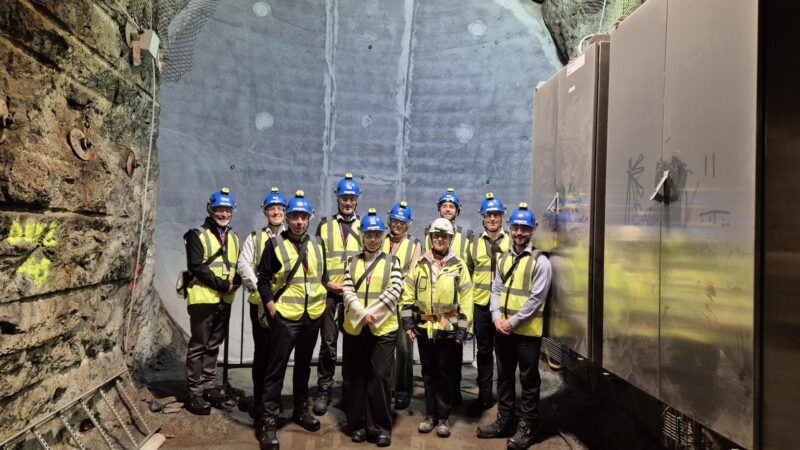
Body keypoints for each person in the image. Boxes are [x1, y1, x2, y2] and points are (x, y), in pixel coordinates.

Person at [255, 191, 328, 450]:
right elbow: (262, 280)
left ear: (309, 219)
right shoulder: (274, 244)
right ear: (287, 217)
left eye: (303, 217)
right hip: (286, 318)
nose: (299, 222)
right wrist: (272, 309)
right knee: (275, 371)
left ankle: (300, 409)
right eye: (295, 216)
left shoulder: (318, 244)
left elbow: (322, 278)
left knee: (304, 367)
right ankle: (268, 421)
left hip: (312, 318)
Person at [477, 202, 552, 450]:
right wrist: (496, 316)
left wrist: (512, 322)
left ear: (532, 230)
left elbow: (536, 299)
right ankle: (505, 421)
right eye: (516, 228)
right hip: (503, 330)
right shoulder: (505, 258)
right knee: (505, 378)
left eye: (525, 229)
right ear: (510, 228)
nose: (520, 233)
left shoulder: (541, 262)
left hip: (526, 334)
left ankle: (528, 426)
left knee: (528, 380)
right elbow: (496, 289)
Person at [401, 218, 473, 438]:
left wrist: (463, 328)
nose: (439, 239)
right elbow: (407, 295)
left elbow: (467, 298)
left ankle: (443, 418)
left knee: (445, 373)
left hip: (448, 329)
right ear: (430, 238)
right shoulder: (420, 264)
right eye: (436, 236)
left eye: (444, 236)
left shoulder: (459, 266)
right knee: (428, 373)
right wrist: (408, 322)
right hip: (425, 329)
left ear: (450, 239)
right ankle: (429, 416)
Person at [341, 209, 404, 447]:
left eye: (377, 234)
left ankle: (380, 427)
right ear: (362, 235)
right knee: (355, 377)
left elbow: (395, 290)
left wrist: (371, 314)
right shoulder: (352, 262)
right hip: (356, 327)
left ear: (383, 236)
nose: (373, 238)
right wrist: (361, 313)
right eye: (369, 234)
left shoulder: (392, 262)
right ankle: (357, 426)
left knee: (379, 377)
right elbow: (347, 290)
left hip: (382, 329)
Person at [183, 187, 241, 415]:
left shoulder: (234, 237)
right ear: (210, 209)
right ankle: (194, 393)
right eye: (219, 209)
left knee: (213, 345)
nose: (223, 214)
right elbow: (196, 266)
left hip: (224, 299)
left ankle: (208, 387)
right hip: (203, 299)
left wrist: (234, 282)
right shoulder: (196, 234)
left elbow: (237, 266)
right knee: (198, 346)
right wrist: (221, 285)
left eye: (227, 210)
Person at [236, 187, 287, 419]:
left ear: (285, 211)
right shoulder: (255, 238)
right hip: (261, 306)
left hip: (286, 306)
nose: (275, 212)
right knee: (263, 353)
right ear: (265, 211)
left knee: (280, 356)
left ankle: (273, 402)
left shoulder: (293, 237)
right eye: (271, 208)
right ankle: (260, 402)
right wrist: (263, 291)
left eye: (279, 208)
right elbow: (244, 265)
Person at [314, 173, 362, 415]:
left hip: (353, 298)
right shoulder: (325, 225)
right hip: (330, 296)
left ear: (357, 200)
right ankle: (324, 389)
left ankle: (351, 392)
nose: (347, 202)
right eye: (344, 197)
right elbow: (315, 261)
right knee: (328, 345)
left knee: (353, 346)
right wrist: (326, 284)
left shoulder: (364, 226)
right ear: (337, 198)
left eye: (351, 198)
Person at [424, 188, 473, 404]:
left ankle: (455, 392)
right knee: (437, 358)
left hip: (456, 302)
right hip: (436, 306)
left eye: (451, 206)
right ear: (438, 209)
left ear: (457, 211)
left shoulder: (466, 236)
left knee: (455, 351)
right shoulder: (430, 234)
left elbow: (468, 269)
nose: (447, 209)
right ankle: (438, 398)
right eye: (444, 206)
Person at [467, 193, 510, 414]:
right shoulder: (473, 245)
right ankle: (485, 395)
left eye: (496, 214)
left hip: (504, 307)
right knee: (483, 351)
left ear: (503, 216)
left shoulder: (512, 242)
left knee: (504, 354)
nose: (492, 218)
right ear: (482, 217)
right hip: (481, 306)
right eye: (488, 215)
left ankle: (504, 398)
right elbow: (469, 273)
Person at [382, 201, 421, 411]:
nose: (397, 225)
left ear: (408, 224)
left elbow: (413, 275)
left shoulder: (415, 244)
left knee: (405, 350)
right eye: (395, 220)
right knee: (384, 348)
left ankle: (404, 391)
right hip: (383, 304)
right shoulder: (380, 239)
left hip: (404, 303)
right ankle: (386, 388)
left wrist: (395, 289)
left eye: (402, 222)